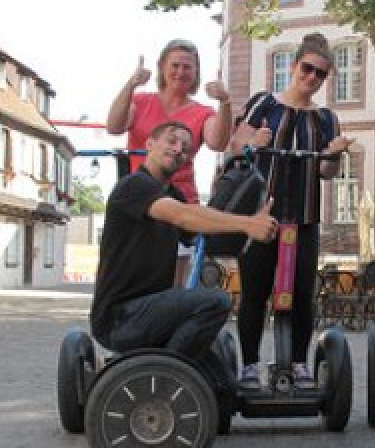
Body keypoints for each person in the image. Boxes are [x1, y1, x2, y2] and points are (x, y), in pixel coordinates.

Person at [89, 121, 278, 357]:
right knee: (217, 301)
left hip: (151, 310)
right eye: (171, 141)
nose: (179, 149)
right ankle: (164, 371)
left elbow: (204, 230)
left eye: (185, 147)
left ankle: (217, 388)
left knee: (220, 367)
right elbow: (183, 216)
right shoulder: (133, 186)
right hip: (120, 318)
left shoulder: (172, 195)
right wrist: (247, 224)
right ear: (149, 144)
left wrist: (238, 172)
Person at [228, 33, 350, 391]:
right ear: (294, 66)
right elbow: (236, 147)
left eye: (320, 75)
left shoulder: (327, 118)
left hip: (305, 217)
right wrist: (255, 143)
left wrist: (335, 154)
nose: (311, 78)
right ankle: (249, 364)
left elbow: (326, 173)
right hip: (261, 215)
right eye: (307, 69)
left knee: (301, 294)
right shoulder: (264, 105)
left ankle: (298, 362)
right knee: (254, 292)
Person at [106, 39, 233, 204]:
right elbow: (114, 127)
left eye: (187, 67)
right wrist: (131, 85)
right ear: (162, 67)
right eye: (175, 65)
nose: (180, 72)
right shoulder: (139, 101)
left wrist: (224, 101)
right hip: (139, 194)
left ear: (196, 72)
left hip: (181, 198)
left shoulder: (204, 112)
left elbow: (218, 144)